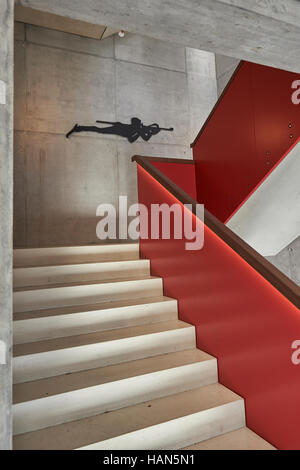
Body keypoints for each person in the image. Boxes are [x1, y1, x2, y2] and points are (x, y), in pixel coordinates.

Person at [66, 117, 173, 142]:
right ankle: (79, 129)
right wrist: (140, 128)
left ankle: (78, 129)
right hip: (118, 127)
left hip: (119, 130)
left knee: (98, 129)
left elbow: (133, 139)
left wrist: (146, 132)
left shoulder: (140, 131)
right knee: (98, 129)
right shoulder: (139, 128)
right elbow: (134, 120)